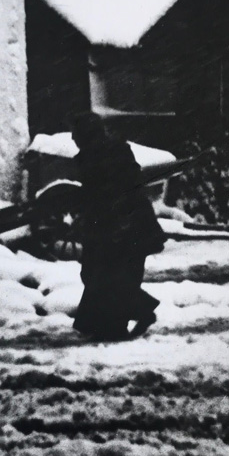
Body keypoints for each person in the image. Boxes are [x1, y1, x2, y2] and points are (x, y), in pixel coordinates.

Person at [70, 112, 166, 341]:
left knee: (111, 276)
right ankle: (106, 326)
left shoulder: (115, 151)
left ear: (87, 133)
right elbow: (93, 192)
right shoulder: (88, 156)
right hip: (106, 224)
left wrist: (119, 215)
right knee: (97, 273)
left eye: (76, 133)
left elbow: (129, 184)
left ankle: (129, 318)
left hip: (129, 224)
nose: (73, 138)